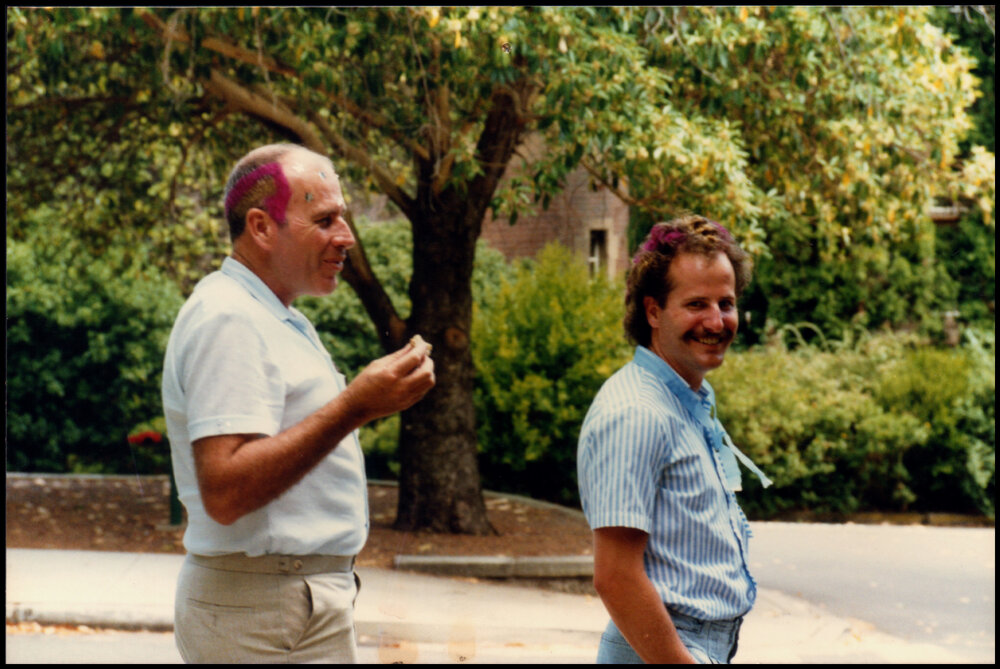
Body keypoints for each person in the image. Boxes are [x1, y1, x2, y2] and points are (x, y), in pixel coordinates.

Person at [161, 143, 435, 663]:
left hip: (287, 604)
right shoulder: (229, 318)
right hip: (264, 611)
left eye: (344, 219)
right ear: (262, 228)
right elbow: (224, 489)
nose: (346, 238)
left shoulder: (272, 316)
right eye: (326, 219)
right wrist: (357, 406)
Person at [577, 214, 772, 664]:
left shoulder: (684, 399)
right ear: (653, 311)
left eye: (726, 303)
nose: (716, 321)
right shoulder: (637, 413)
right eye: (696, 304)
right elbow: (615, 575)